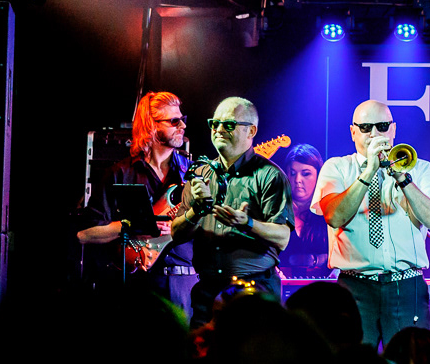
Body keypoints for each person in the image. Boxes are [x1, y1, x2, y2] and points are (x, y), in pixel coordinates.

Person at [314, 100, 430, 350]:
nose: (374, 134)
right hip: (355, 286)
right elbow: (334, 216)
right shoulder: (337, 168)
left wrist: (402, 178)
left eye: (382, 126)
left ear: (393, 129)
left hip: (406, 285)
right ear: (353, 132)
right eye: (366, 128)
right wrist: (368, 172)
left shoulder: (420, 169)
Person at [173, 96, 294, 326]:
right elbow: (176, 234)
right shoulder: (199, 174)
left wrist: (247, 223)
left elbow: (283, 237)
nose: (219, 129)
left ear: (251, 131)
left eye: (228, 124)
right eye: (214, 123)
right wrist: (196, 210)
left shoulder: (270, 175)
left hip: (254, 293)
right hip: (207, 293)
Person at [76, 91, 198, 314]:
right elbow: (85, 234)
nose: (183, 125)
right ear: (151, 126)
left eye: (182, 119)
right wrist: (132, 226)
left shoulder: (193, 174)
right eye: (174, 121)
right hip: (135, 285)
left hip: (182, 283)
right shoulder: (120, 174)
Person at [282, 143, 329, 271]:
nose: (297, 179)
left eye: (306, 174)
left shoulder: (328, 210)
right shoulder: (276, 209)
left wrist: (316, 259)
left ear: (318, 175)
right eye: (292, 173)